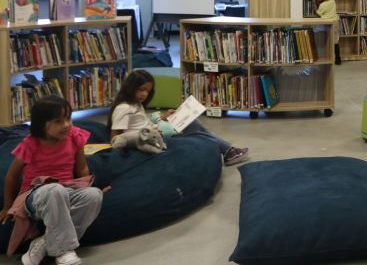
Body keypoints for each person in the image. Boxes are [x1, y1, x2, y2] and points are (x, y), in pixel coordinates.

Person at [1, 96, 104, 265]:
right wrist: (7, 206)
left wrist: (85, 187)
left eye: (68, 118)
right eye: (58, 121)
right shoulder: (31, 144)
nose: (67, 125)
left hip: (66, 191)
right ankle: (63, 251)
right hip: (35, 196)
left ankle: (44, 242)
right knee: (55, 189)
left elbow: (82, 168)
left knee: (94, 195)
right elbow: (12, 176)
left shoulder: (74, 136)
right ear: (41, 124)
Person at [108, 70, 249, 166]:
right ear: (130, 87)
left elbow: (142, 122)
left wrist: (163, 117)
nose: (144, 94)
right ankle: (228, 150)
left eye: (148, 91)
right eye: (141, 90)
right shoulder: (123, 108)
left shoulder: (135, 104)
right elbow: (116, 138)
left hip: (155, 133)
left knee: (193, 125)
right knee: (193, 127)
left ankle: (228, 150)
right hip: (151, 139)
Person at [315, 0, 341, 65]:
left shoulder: (323, 5)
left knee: (325, 40)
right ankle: (338, 59)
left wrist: (315, 4)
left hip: (326, 23)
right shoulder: (333, 0)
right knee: (335, 41)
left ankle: (326, 57)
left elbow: (318, 14)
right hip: (335, 22)